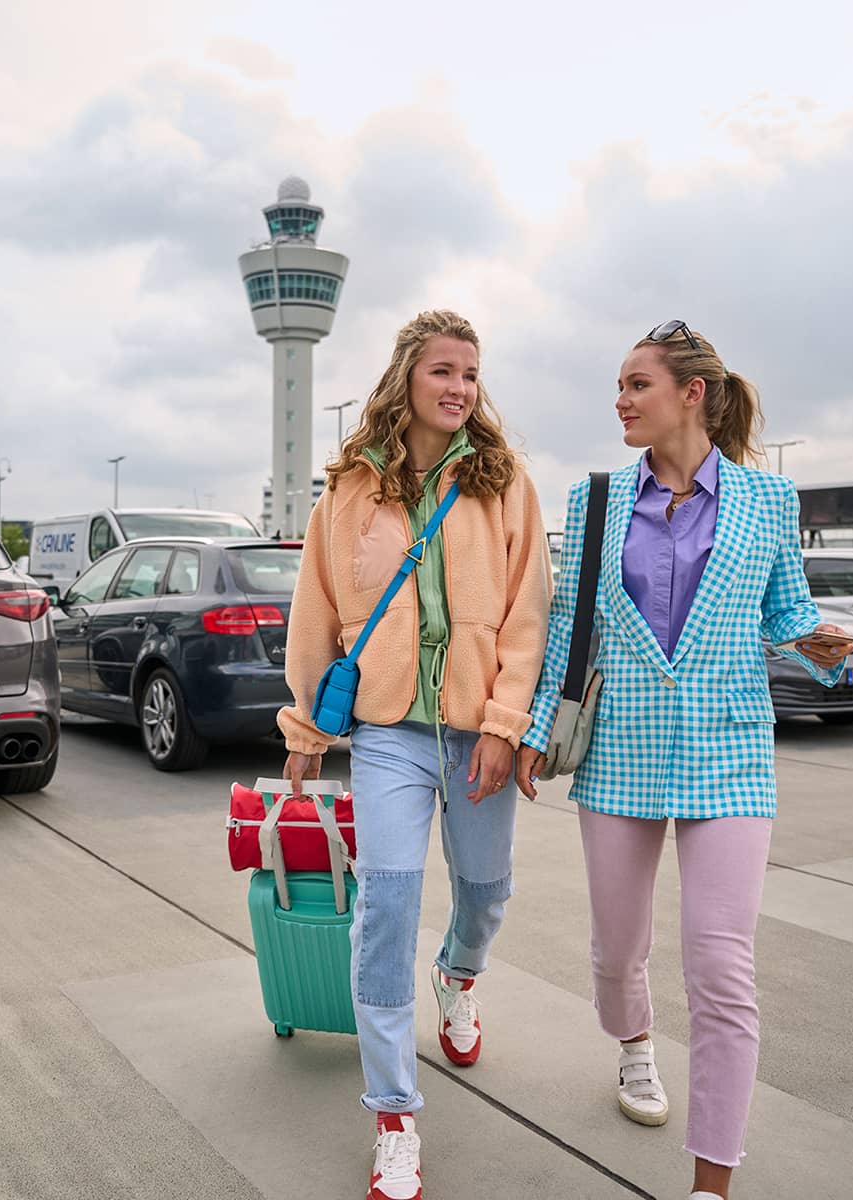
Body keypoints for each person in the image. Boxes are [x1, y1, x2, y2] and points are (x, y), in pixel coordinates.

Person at [516, 320, 853, 1200]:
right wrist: (532, 730)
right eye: (620, 386)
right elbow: (572, 626)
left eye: (637, 385)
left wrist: (819, 641)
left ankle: (712, 1184)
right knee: (616, 952)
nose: (620, 401)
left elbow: (785, 609)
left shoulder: (767, 500)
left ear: (691, 393)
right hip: (619, 750)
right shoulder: (594, 500)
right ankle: (634, 1044)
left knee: (721, 968)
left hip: (729, 752)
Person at [280, 310, 552, 1200]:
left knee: (486, 891)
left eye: (470, 373)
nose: (459, 388)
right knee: (387, 907)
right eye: (442, 370)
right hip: (389, 732)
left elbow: (529, 614)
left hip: (477, 729)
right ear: (406, 376)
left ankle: (458, 974)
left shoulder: (504, 483)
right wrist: (306, 732)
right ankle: (394, 1114)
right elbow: (317, 614)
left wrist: (504, 725)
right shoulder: (348, 491)